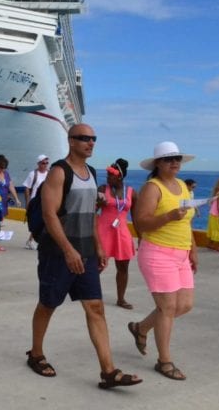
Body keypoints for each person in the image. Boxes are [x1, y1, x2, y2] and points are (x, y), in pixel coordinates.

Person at [28, 124, 141, 389]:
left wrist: (98, 247)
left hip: (86, 252)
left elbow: (90, 214)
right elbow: (49, 215)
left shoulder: (91, 172)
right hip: (58, 252)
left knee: (95, 307)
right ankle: (35, 354)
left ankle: (108, 371)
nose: (90, 143)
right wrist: (68, 250)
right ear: (70, 141)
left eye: (93, 139)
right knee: (48, 304)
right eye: (84, 139)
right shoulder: (59, 172)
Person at [129, 141, 197, 381]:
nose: (175, 162)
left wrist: (193, 249)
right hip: (158, 253)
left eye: (177, 158)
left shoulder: (181, 185)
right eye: (169, 159)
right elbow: (142, 222)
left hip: (181, 253)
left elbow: (186, 222)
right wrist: (168, 216)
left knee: (184, 305)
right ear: (158, 163)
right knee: (167, 307)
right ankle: (164, 361)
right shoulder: (152, 187)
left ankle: (141, 327)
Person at [96, 158, 137, 309]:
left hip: (122, 233)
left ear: (119, 176)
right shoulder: (102, 188)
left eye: (110, 175)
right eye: (107, 175)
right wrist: (98, 205)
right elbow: (92, 211)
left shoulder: (132, 192)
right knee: (98, 265)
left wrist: (142, 237)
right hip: (103, 231)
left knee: (123, 268)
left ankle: (121, 299)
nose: (107, 178)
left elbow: (136, 218)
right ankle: (87, 292)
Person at [23, 154, 50, 250]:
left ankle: (33, 241)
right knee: (37, 223)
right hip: (36, 203)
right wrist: (28, 202)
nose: (45, 165)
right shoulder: (33, 174)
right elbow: (27, 188)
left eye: (47, 163)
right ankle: (31, 241)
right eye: (43, 163)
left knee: (44, 222)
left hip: (47, 202)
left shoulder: (50, 173)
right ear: (38, 163)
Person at [0, 154, 21, 221]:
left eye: (4, 168)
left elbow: (11, 186)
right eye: (1, 168)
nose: (2, 170)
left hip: (3, 200)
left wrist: (16, 198)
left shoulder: (6, 173)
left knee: (1, 219)